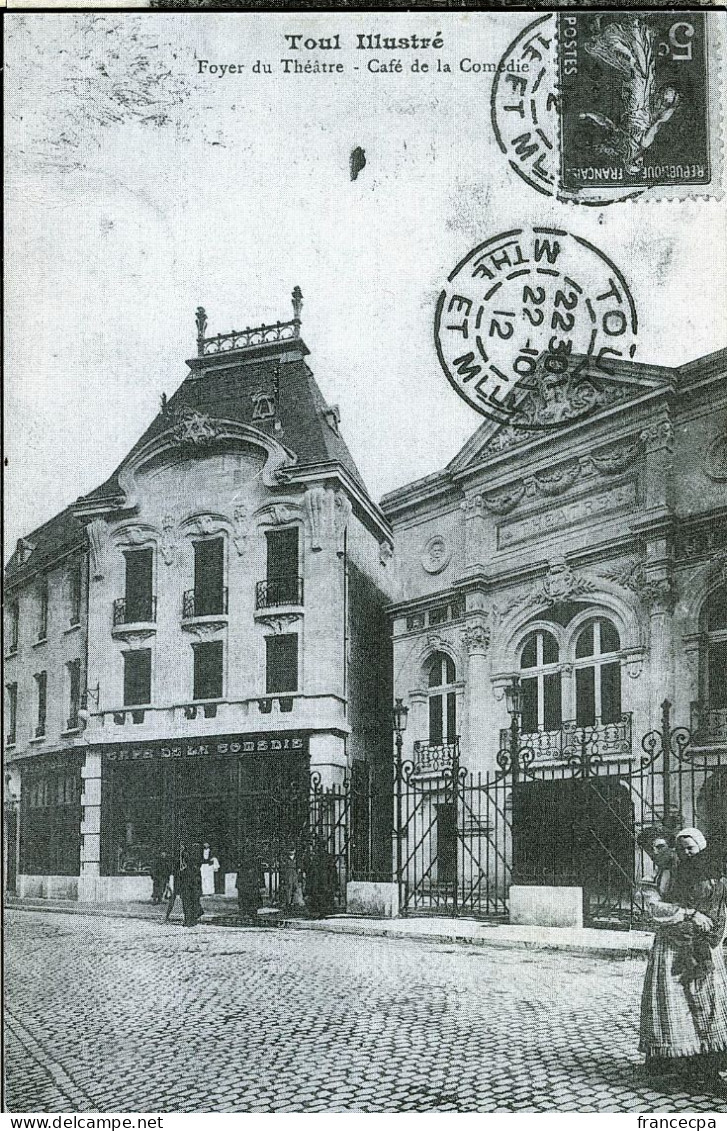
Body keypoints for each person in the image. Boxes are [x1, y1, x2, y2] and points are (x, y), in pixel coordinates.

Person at [639, 827, 727, 1097]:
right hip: (670, 947)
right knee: (673, 1004)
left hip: (703, 945)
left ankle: (709, 1067)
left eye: (662, 845)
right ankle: (676, 1065)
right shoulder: (655, 876)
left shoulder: (701, 871)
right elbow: (652, 908)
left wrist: (715, 933)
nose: (659, 852)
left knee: (707, 1003)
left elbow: (718, 903)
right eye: (652, 848)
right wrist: (688, 914)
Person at [305, 835, 338, 920]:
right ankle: (321, 912)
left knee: (321, 896)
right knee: (320, 896)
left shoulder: (319, 858)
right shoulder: (324, 857)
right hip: (322, 882)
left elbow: (332, 872)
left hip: (321, 881)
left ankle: (321, 912)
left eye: (318, 846)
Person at [236, 845, 263, 922]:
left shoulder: (253, 863)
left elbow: (259, 873)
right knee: (247, 898)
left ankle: (249, 912)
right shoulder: (245, 863)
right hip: (247, 882)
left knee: (251, 898)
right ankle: (249, 912)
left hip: (250, 882)